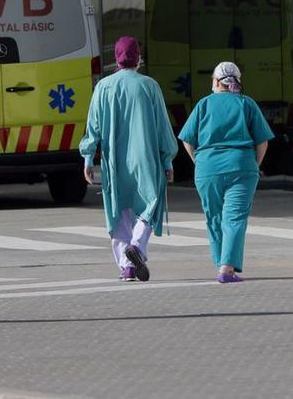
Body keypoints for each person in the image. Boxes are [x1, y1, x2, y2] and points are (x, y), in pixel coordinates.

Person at [79, 36, 177, 283]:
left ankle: (127, 267)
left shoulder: (103, 87)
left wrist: (88, 158)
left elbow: (93, 127)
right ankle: (137, 247)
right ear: (138, 58)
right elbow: (162, 127)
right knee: (149, 205)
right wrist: (167, 160)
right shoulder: (149, 86)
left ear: (117, 59)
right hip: (145, 158)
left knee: (119, 212)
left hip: (115, 162)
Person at [178, 61, 274, 284]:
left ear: (215, 81)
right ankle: (226, 268)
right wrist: (254, 165)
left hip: (207, 168)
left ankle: (221, 264)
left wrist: (199, 161)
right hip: (241, 166)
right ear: (237, 82)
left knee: (214, 218)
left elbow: (186, 140)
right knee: (235, 218)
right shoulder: (246, 104)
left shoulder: (203, 104)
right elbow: (262, 142)